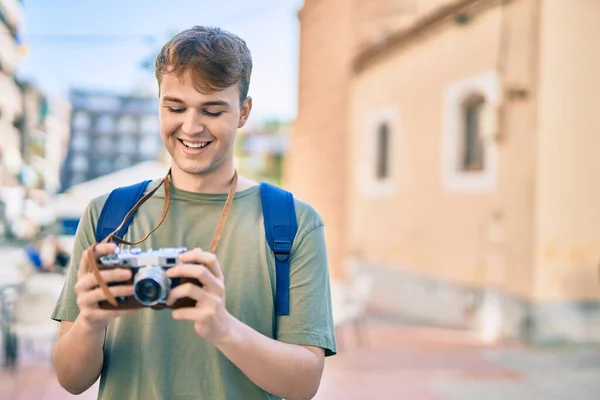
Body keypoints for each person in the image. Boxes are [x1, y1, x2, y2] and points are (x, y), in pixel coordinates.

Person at [50, 26, 337, 400]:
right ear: (158, 104)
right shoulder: (107, 215)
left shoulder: (292, 223)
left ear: (243, 112)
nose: (190, 126)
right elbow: (71, 380)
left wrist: (222, 327)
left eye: (212, 109)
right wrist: (90, 321)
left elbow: (304, 384)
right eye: (175, 107)